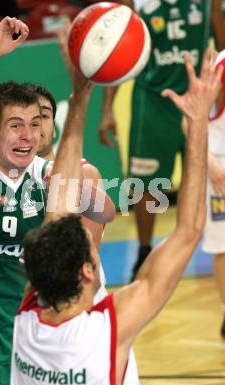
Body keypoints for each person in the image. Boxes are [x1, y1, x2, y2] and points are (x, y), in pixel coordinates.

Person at [11, 48, 223, 385]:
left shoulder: (28, 319)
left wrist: (79, 99)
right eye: (92, 250)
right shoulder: (107, 330)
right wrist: (197, 124)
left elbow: (58, 207)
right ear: (85, 271)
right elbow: (188, 232)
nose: (97, 248)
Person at [0, 19, 115, 385]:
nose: (30, 133)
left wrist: (74, 191)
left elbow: (105, 213)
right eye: (17, 124)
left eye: (38, 121)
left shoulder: (58, 174)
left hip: (33, 344)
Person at [99, 0, 225, 280]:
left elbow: (223, 43)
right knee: (146, 186)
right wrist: (108, 109)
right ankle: (144, 251)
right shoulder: (136, 2)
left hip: (199, 98)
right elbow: (120, 53)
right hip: (153, 102)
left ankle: (212, 245)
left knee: (214, 176)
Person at [203, 49, 225, 339]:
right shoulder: (221, 65)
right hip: (221, 164)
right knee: (224, 246)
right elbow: (190, 118)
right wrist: (208, 162)